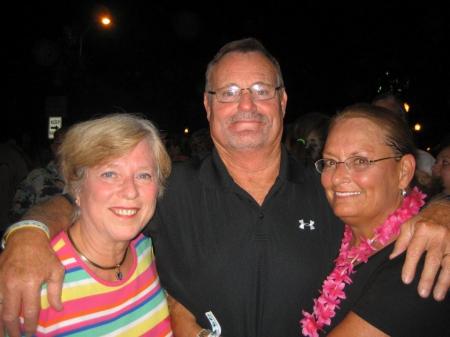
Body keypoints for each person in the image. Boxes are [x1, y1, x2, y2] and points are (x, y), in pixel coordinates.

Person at [0, 38, 449, 337]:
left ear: (283, 101)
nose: (246, 105)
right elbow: (85, 200)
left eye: (259, 89)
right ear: (207, 106)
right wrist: (28, 232)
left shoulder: (329, 189)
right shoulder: (168, 192)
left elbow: (398, 207)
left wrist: (444, 208)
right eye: (229, 92)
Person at [11, 114, 173, 336]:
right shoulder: (32, 277)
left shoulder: (147, 249)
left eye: (144, 175)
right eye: (110, 174)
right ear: (76, 187)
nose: (130, 191)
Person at [301, 103, 449, 337]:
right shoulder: (331, 231)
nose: (338, 177)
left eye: (360, 161)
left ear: (403, 171)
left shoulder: (422, 258)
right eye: (330, 162)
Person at [9, 128, 67, 222]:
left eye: (71, 144)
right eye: (61, 144)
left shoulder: (85, 178)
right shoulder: (37, 177)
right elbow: (17, 214)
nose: (66, 148)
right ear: (53, 147)